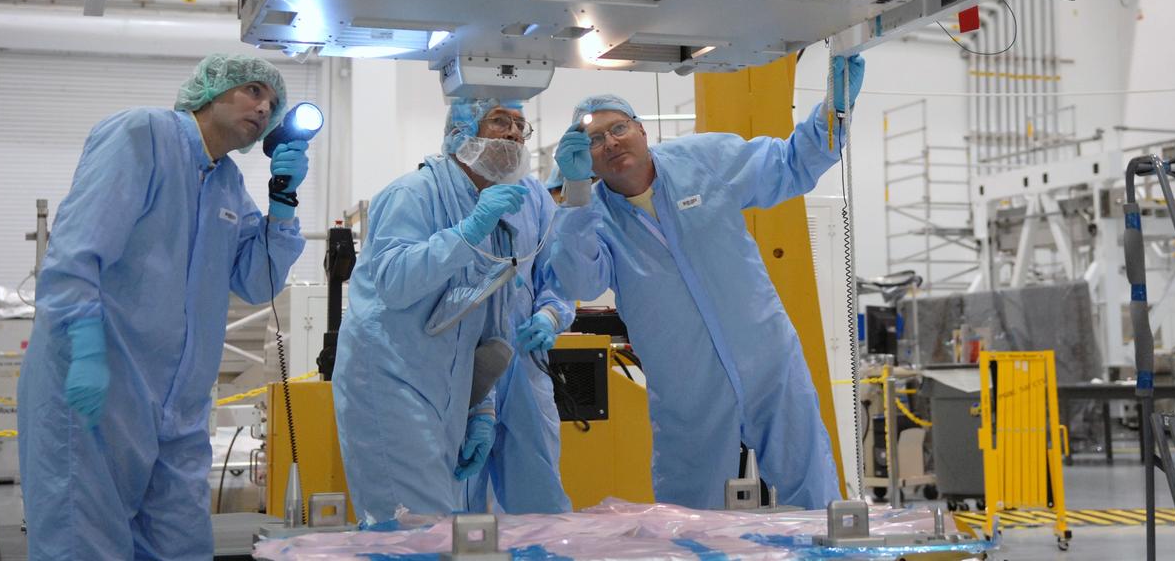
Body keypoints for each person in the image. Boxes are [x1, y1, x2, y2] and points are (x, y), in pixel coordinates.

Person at [17, 53, 310, 560]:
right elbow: (76, 253)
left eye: (272, 101)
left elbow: (258, 281)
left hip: (180, 410)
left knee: (180, 546)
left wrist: (283, 201)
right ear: (210, 92)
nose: (264, 108)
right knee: (85, 544)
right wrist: (85, 348)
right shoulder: (142, 135)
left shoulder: (227, 183)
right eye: (252, 91)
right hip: (100, 390)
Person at [547, 55, 865, 510]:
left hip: (767, 358)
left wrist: (834, 108)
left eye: (618, 128)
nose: (611, 143)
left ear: (642, 130)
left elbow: (791, 163)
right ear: (585, 159)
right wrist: (574, 196)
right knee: (689, 516)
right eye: (594, 140)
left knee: (811, 491)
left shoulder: (703, 161)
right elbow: (578, 276)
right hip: (685, 385)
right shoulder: (591, 216)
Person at [333, 97, 560, 521]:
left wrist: (481, 408)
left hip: (446, 391)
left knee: (442, 529)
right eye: (499, 121)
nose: (513, 132)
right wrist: (468, 232)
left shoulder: (492, 208)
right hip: (391, 380)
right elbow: (396, 283)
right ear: (461, 132)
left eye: (520, 125)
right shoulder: (412, 194)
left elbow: (482, 324)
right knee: (412, 528)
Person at [466, 243, 574, 514]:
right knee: (457, 507)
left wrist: (549, 315)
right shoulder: (450, 203)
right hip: (463, 366)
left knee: (539, 507)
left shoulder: (537, 205)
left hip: (525, 366)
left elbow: (558, 274)